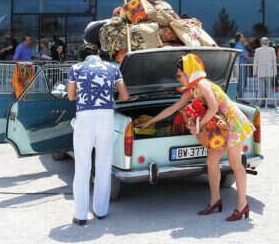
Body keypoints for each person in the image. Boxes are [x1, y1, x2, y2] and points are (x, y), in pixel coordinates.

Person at [138, 54, 255, 221]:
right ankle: (215, 200)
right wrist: (150, 122)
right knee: (211, 161)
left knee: (235, 164)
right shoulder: (192, 89)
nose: (178, 79)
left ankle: (242, 205)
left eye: (179, 75)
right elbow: (173, 108)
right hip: (220, 127)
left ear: (188, 72)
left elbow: (213, 108)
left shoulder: (202, 84)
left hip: (233, 123)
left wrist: (198, 126)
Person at [67, 43, 130, 226]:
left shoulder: (75, 68)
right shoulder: (113, 68)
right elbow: (125, 96)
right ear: (98, 54)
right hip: (106, 118)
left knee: (82, 166)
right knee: (103, 164)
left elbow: (71, 96)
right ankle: (101, 211)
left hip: (85, 119)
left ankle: (81, 215)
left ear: (82, 57)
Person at [253, 37, 276, 108]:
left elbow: (255, 62)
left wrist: (254, 72)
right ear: (267, 42)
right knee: (269, 87)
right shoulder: (272, 50)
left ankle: (261, 102)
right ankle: (270, 102)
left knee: (261, 87)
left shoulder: (257, 50)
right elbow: (274, 61)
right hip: (269, 70)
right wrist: (275, 72)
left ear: (261, 43)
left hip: (261, 70)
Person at [234, 33, 249, 104]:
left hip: (243, 67)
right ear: (240, 38)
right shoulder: (238, 46)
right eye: (243, 37)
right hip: (241, 67)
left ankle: (241, 98)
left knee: (243, 82)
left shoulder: (241, 46)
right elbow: (246, 56)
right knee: (241, 83)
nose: (244, 38)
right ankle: (239, 99)